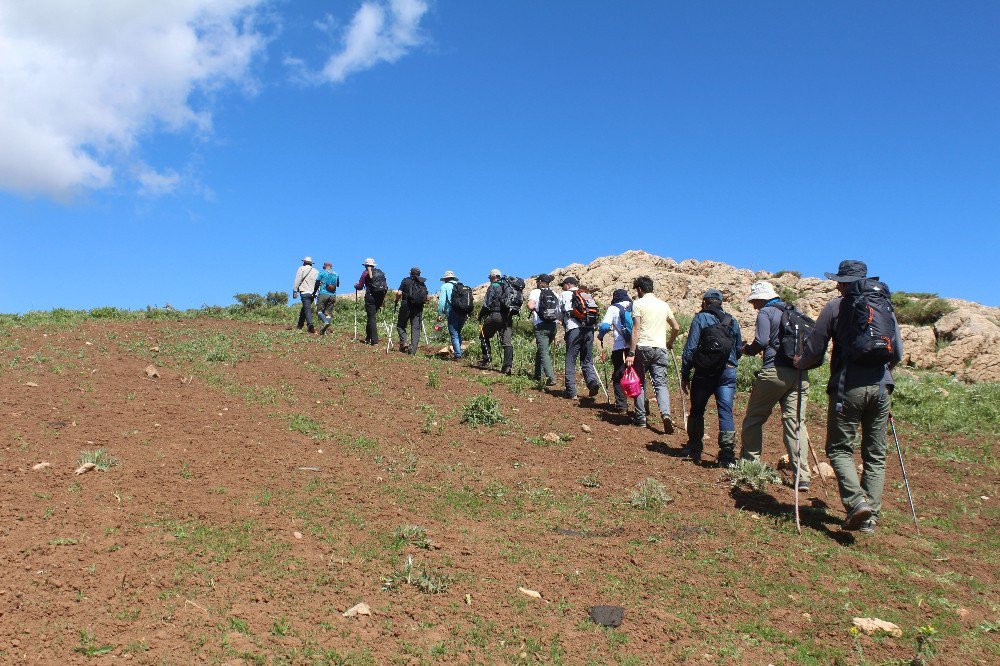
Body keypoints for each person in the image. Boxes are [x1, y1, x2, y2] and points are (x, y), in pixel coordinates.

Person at [795, 260, 903, 533]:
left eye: (839, 281)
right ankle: (871, 517)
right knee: (875, 454)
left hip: (848, 386)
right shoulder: (884, 306)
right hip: (882, 387)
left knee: (839, 448)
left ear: (843, 283)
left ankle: (856, 504)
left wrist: (801, 363)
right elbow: (897, 353)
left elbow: (816, 349)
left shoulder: (835, 307)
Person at [739, 281, 812, 487]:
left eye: (754, 301)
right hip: (799, 375)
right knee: (796, 424)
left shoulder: (766, 312)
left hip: (774, 371)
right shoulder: (794, 311)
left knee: (754, 418)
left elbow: (761, 342)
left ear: (762, 298)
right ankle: (803, 477)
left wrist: (746, 350)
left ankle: (750, 464)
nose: (754, 305)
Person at [680, 289, 743, 465]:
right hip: (728, 371)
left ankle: (694, 448)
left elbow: (690, 348)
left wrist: (686, 373)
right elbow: (738, 350)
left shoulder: (700, 318)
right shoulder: (732, 321)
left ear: (705, 302)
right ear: (721, 303)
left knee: (697, 410)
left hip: (704, 372)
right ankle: (727, 455)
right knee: (725, 412)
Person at [625, 276, 681, 433]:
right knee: (661, 384)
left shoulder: (638, 303)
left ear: (640, 289)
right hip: (660, 348)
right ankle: (665, 414)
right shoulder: (663, 305)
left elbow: (636, 329)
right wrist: (670, 342)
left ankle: (641, 418)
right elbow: (676, 327)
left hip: (643, 347)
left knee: (640, 382)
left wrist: (631, 352)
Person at [598, 288, 644, 422]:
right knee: (638, 376)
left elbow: (605, 326)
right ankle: (641, 406)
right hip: (635, 347)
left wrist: (600, 336)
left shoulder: (613, 308)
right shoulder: (634, 305)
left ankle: (622, 406)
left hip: (619, 347)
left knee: (618, 376)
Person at [559, 277, 602, 399]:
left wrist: (563, 320)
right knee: (587, 359)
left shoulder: (565, 294)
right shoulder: (585, 294)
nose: (562, 287)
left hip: (574, 329)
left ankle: (571, 392)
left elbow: (559, 312)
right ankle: (592, 382)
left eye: (563, 285)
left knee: (571, 359)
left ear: (568, 285)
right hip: (589, 329)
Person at [478, 269, 514, 374]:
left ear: (493, 277)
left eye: (489, 277)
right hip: (507, 317)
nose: (489, 279)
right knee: (507, 343)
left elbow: (486, 304)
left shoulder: (493, 286)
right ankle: (507, 367)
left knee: (483, 336)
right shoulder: (508, 286)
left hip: (495, 316)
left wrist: (480, 316)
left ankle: (487, 359)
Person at [526, 274, 560, 386]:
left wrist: (533, 308)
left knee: (543, 351)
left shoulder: (536, 292)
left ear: (540, 282)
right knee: (541, 350)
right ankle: (537, 376)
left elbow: (530, 306)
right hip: (553, 326)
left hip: (541, 325)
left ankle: (551, 377)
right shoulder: (555, 294)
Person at [394, 267, 429, 354]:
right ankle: (412, 351)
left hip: (406, 305)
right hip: (418, 308)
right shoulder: (422, 283)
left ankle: (404, 342)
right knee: (416, 329)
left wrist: (396, 300)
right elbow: (427, 298)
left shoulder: (406, 280)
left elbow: (399, 293)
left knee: (400, 325)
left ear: (410, 273)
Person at [353, 258, 388, 346]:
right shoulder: (380, 272)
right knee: (371, 317)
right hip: (379, 297)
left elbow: (360, 286)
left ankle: (375, 341)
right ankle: (368, 338)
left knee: (371, 317)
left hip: (371, 297)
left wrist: (356, 286)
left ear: (365, 265)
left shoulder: (365, 273)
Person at [437, 270, 467, 359]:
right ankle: (459, 352)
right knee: (458, 332)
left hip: (452, 312)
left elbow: (442, 301)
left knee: (454, 333)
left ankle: (458, 355)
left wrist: (439, 313)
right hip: (463, 312)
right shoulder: (462, 286)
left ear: (446, 279)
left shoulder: (445, 286)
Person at [292, 256, 319, 333]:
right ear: (311, 263)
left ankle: (310, 325)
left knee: (307, 309)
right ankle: (299, 325)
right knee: (304, 308)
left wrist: (295, 290)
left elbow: (297, 280)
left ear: (304, 262)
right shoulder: (316, 271)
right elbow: (318, 283)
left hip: (304, 291)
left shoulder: (301, 269)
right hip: (313, 293)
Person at [315, 261, 340, 335]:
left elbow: (317, 282)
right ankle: (324, 329)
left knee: (319, 311)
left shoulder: (322, 272)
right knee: (328, 313)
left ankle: (325, 322)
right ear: (331, 266)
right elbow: (338, 284)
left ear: (324, 266)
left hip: (323, 294)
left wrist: (314, 292)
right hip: (332, 295)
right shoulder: (336, 273)